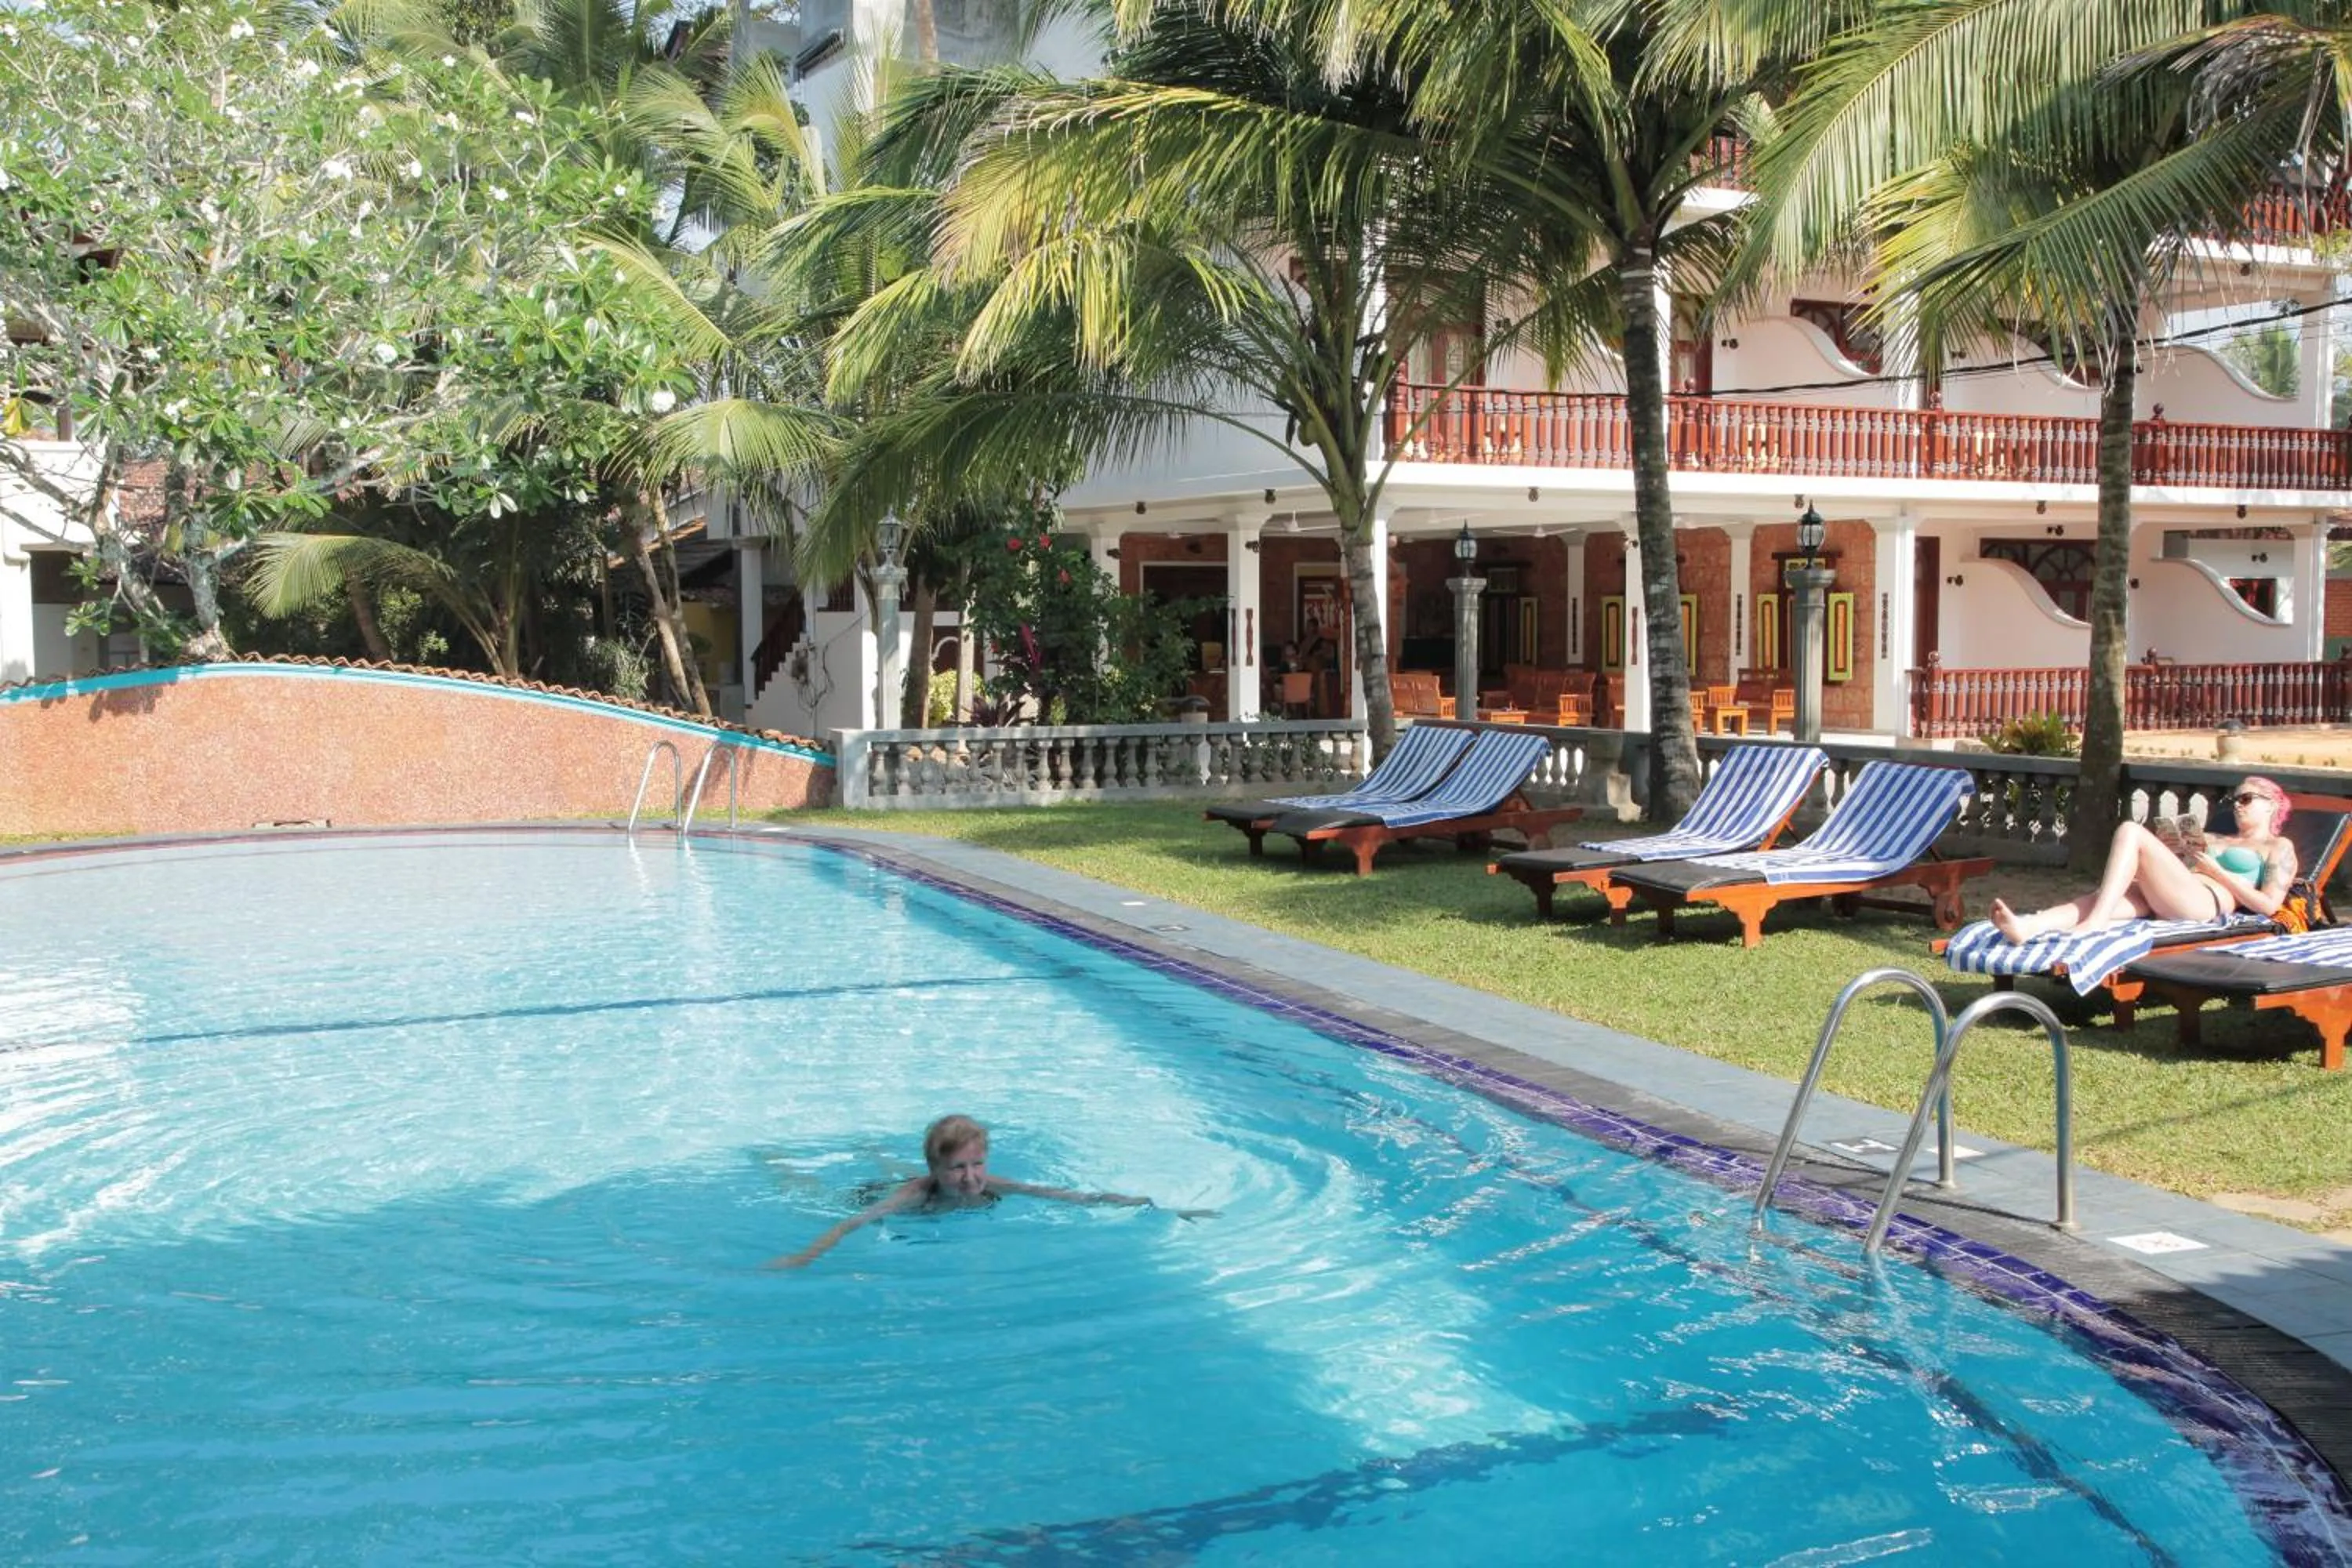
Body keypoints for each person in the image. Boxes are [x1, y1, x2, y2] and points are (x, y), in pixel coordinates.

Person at [767, 1114, 1211, 1269]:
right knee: (812, 1192)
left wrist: (1158, 1207)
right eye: (957, 1168)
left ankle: (872, 1146)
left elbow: (1070, 1197)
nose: (970, 1177)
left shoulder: (993, 1185)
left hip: (918, 1182)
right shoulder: (914, 1196)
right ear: (938, 1171)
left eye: (977, 1164)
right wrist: (805, 1256)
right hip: (873, 1195)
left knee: (896, 1167)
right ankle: (777, 1161)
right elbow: (850, 1224)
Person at [1988, 776, 2297, 944]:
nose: (2237, 806)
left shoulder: (2278, 847)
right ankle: (2028, 927)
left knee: (2130, 830)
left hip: (2206, 902)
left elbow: (2269, 907)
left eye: (2247, 799)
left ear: (2272, 805)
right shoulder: (2216, 837)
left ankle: (2096, 925)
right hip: (2174, 892)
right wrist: (2175, 852)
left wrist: (2219, 873)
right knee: (2103, 898)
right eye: (2235, 800)